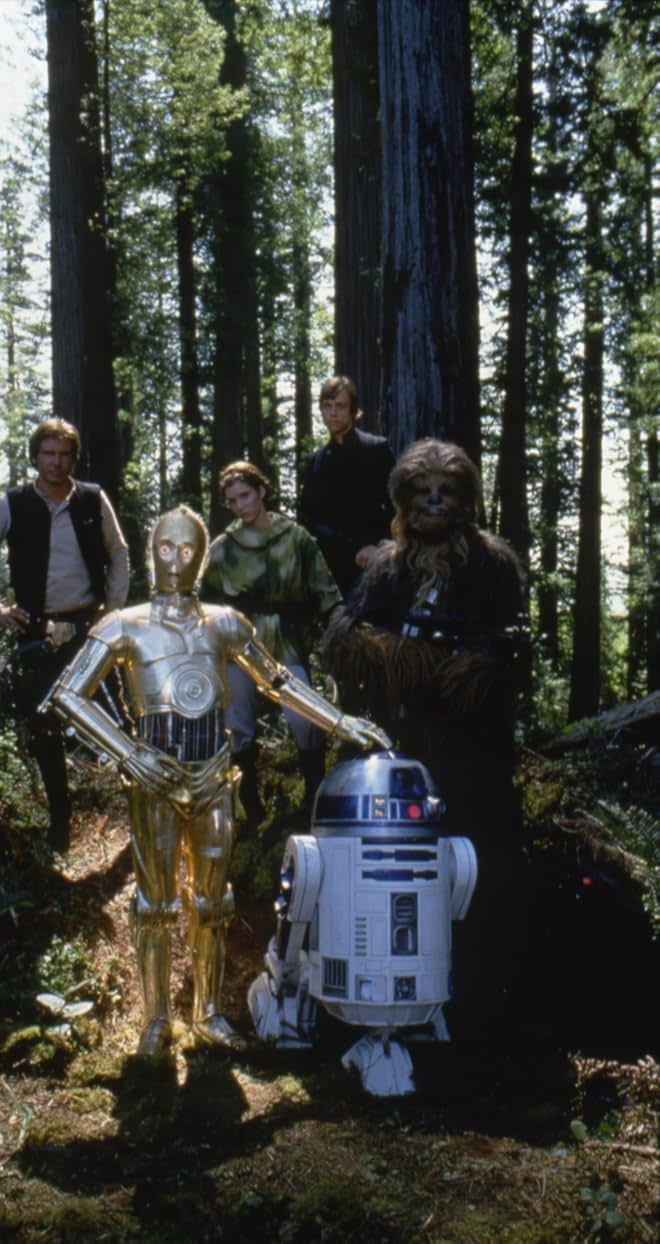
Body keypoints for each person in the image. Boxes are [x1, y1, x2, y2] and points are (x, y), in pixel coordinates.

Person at [44, 506, 389, 1057]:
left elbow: (277, 682)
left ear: (202, 558)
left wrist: (339, 722)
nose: (175, 561)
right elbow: (66, 694)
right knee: (154, 906)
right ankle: (156, 1017)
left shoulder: (225, 623)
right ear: (149, 552)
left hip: (211, 775)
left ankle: (207, 1011)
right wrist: (128, 753)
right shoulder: (123, 624)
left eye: (187, 551)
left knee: (212, 902)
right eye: (165, 549)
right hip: (152, 775)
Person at [325, 438, 530, 1039]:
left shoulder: (492, 566)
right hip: (404, 742)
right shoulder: (389, 567)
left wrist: (473, 669)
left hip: (472, 747)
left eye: (446, 491)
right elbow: (346, 630)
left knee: (478, 866)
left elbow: (513, 643)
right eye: (422, 491)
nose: (434, 501)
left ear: (467, 500)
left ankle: (481, 999)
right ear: (403, 501)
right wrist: (401, 658)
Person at [0, 417, 129, 851]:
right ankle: (60, 822)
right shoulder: (14, 503)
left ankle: (140, 816)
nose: (56, 462)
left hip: (91, 632)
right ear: (35, 457)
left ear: (74, 457)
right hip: (36, 632)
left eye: (63, 454)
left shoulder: (91, 500)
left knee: (118, 721)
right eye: (48, 454)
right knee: (43, 726)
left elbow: (120, 553)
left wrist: (113, 611)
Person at [201, 461, 342, 828]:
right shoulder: (222, 549)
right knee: (237, 723)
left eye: (245, 495)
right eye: (231, 501)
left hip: (287, 644)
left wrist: (339, 627)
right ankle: (249, 805)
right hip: (240, 648)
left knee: (304, 717)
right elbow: (202, 603)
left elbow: (325, 589)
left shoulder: (295, 538)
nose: (240, 505)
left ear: (261, 491)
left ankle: (313, 795)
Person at [298, 375, 395, 597]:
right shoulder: (316, 461)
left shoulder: (376, 450)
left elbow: (396, 508)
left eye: (340, 406)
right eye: (327, 406)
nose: (333, 413)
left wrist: (379, 548)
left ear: (353, 410)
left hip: (375, 564)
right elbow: (308, 518)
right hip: (331, 570)